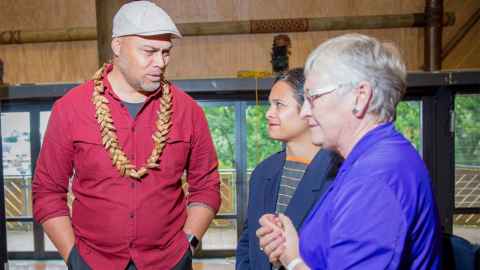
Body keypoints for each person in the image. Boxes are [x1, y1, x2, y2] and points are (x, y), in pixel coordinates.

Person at [32, 1, 220, 269]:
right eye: (149, 52)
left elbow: (207, 186)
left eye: (166, 52)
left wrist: (188, 245)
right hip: (93, 261)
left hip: (169, 261)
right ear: (117, 46)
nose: (160, 63)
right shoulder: (70, 109)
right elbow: (48, 191)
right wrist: (73, 256)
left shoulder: (188, 111)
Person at [257, 34, 441, 269]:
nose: (304, 112)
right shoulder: (364, 160)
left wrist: (293, 260)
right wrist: (292, 243)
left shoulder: (375, 177)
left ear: (360, 96)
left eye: (313, 98)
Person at [236, 68, 341, 270]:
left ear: (309, 109)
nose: (268, 113)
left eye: (279, 105)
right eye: (270, 105)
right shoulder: (263, 172)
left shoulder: (338, 174)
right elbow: (247, 242)